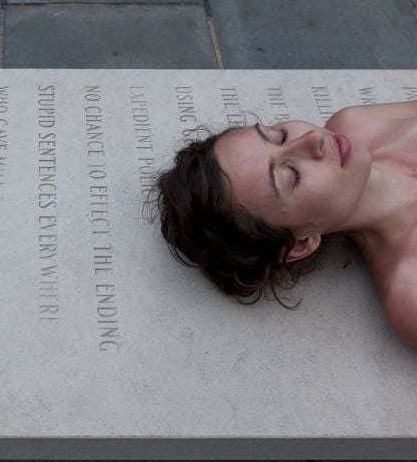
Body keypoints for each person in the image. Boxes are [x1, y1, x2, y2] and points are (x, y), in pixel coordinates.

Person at [154, 100, 417, 348]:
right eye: (292, 174)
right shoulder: (410, 294)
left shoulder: (357, 122)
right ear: (300, 244)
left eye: (278, 135)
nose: (313, 139)